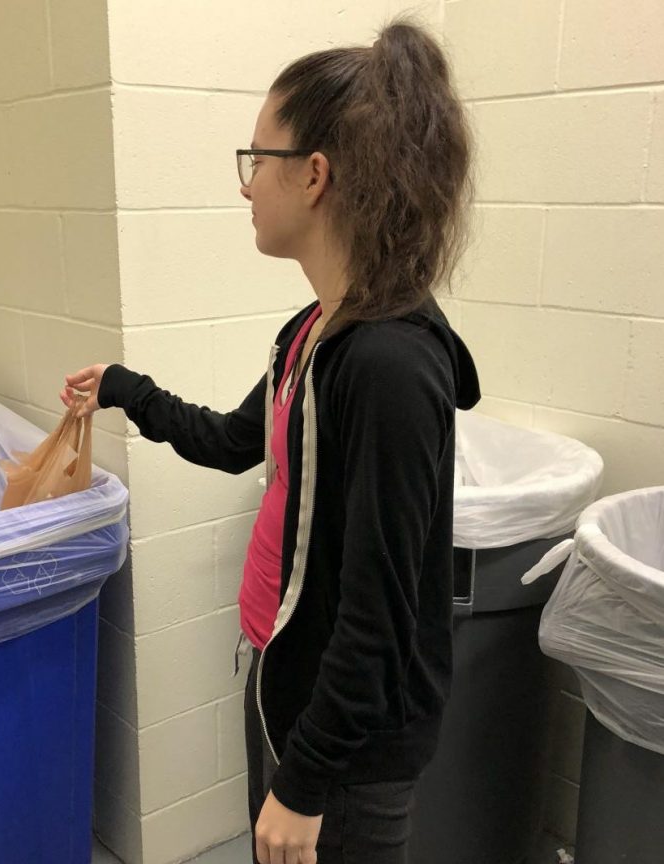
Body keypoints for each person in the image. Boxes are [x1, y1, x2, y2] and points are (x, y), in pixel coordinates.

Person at [61, 19, 480, 864]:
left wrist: (306, 782)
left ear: (315, 175)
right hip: (292, 682)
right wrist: (124, 389)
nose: (247, 187)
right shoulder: (315, 332)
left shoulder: (388, 367)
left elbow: (381, 616)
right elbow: (230, 440)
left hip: (351, 747)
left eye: (259, 160)